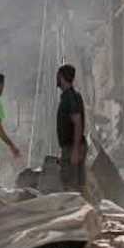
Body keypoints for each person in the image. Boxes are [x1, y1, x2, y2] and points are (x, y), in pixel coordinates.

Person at [56, 64, 88, 193]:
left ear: (62, 77)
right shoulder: (70, 96)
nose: (56, 79)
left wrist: (75, 150)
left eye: (58, 76)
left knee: (70, 187)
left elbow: (77, 122)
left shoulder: (70, 97)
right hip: (72, 146)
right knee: (77, 185)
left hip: (72, 147)